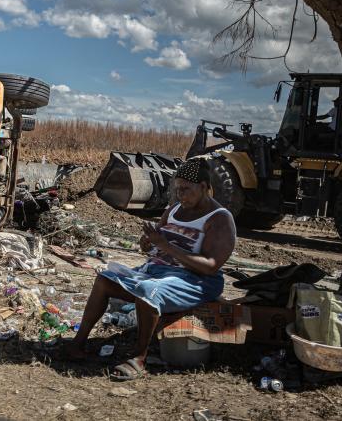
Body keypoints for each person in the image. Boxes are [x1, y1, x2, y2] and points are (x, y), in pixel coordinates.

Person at [62, 157, 236, 380]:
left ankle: (138, 358)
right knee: (104, 279)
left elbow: (211, 266)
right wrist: (149, 243)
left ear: (203, 187)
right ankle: (78, 344)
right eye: (177, 190)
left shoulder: (220, 219)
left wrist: (166, 246)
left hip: (195, 280)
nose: (180, 195)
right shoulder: (174, 210)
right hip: (156, 270)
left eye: (186, 189)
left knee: (147, 291)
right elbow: (157, 242)